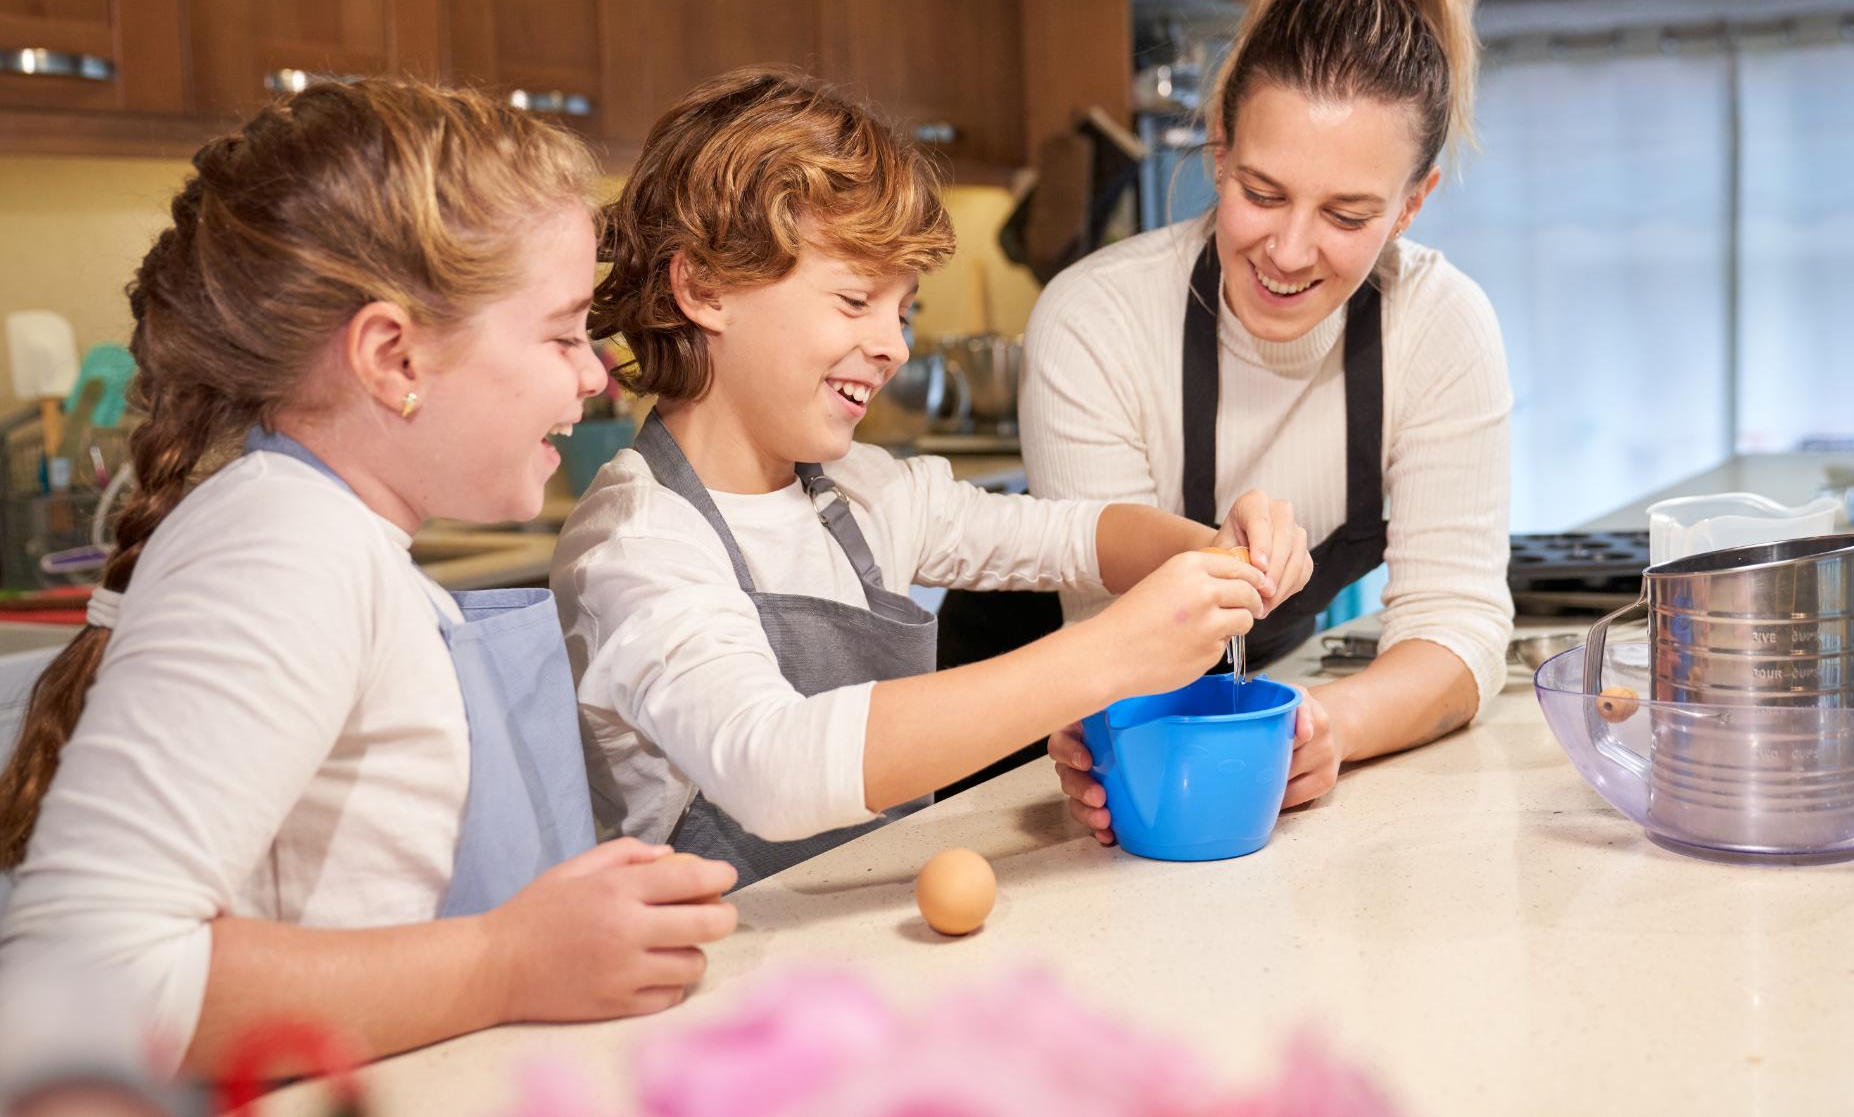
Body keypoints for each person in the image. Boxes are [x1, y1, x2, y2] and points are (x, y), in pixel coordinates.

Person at [0, 80, 736, 1079]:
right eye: (562, 333)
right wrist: (504, 962)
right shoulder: (286, 550)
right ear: (393, 358)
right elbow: (72, 987)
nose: (596, 374)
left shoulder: (334, 535)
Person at [551, 68, 1313, 888]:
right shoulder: (638, 542)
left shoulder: (864, 491)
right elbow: (769, 765)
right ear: (704, 286)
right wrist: (1109, 654)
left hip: (871, 934)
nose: (895, 344)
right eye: (855, 300)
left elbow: (1072, 537)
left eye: (903, 310)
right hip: (723, 956)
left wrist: (1215, 551)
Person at [1025, 0, 1514, 837]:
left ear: (1412, 203)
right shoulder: (1096, 321)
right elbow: (1113, 643)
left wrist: (1326, 728)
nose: (1289, 251)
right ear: (1219, 148)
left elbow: (1459, 626)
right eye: (1261, 193)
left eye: (1347, 214)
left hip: (1231, 735)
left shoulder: (1441, 327)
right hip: (1056, 733)